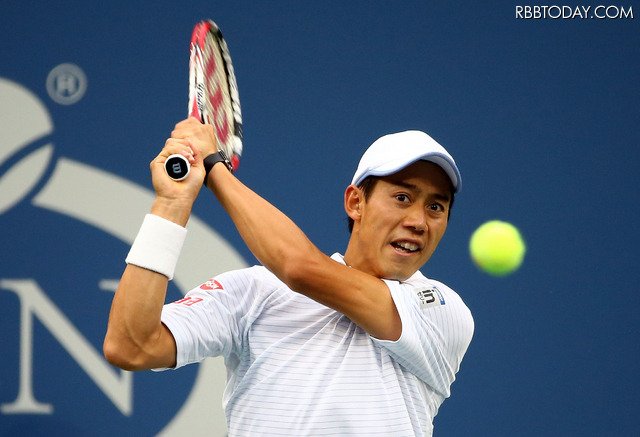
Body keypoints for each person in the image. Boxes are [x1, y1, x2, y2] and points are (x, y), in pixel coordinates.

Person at [104, 118, 474, 436]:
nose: (418, 222)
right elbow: (131, 346)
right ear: (355, 203)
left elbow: (300, 269)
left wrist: (213, 169)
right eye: (403, 198)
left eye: (436, 207)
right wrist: (172, 203)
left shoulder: (441, 311)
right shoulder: (254, 292)